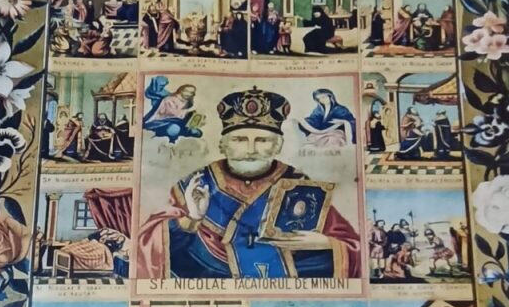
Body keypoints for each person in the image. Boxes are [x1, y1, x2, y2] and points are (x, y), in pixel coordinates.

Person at [136, 86, 361, 279]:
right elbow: (151, 243)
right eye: (240, 139)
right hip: (214, 269)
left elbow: (352, 245)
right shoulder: (196, 182)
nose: (251, 149)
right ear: (224, 144)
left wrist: (325, 244)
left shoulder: (297, 181)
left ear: (278, 145)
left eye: (262, 140)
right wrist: (192, 219)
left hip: (286, 267)